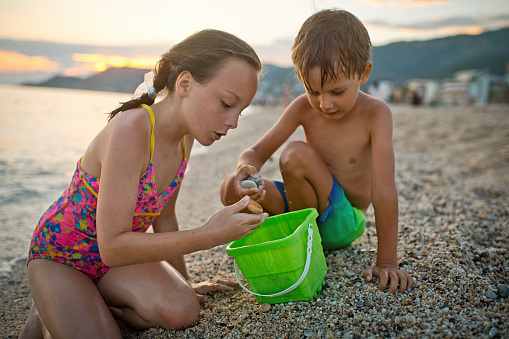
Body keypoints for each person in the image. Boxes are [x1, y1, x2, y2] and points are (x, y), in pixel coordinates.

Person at [19, 29, 267, 338]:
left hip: (117, 262)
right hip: (62, 256)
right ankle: (47, 308)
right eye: (227, 104)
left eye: (241, 110)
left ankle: (87, 301)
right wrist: (208, 234)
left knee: (184, 311)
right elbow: (111, 246)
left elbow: (164, 217)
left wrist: (184, 285)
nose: (234, 122)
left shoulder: (186, 137)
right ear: (185, 84)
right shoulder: (132, 130)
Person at [220, 10, 413, 295]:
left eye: (337, 92)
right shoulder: (301, 106)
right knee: (230, 188)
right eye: (313, 91)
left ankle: (300, 246)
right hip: (304, 204)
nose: (324, 104)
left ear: (364, 73)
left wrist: (387, 261)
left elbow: (384, 189)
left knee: (295, 154)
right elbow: (257, 151)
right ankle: (280, 236)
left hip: (342, 221)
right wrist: (245, 169)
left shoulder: (376, 113)